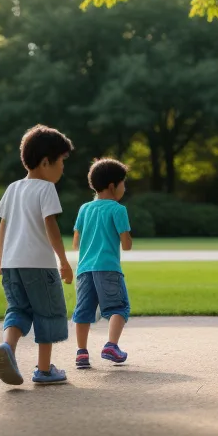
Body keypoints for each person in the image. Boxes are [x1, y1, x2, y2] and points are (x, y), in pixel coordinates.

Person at [0, 124, 74, 385]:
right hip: (39, 265)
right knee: (47, 313)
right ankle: (44, 369)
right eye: (61, 162)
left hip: (11, 264)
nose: (63, 168)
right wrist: (63, 260)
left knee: (18, 309)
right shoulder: (45, 189)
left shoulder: (13, 188)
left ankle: (8, 346)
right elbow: (50, 225)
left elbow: (3, 224)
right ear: (45, 161)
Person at [72, 158, 133, 369]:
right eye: (123, 183)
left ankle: (81, 353)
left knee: (83, 311)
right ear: (112, 186)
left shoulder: (84, 209)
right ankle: (111, 345)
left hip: (84, 268)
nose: (124, 188)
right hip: (108, 267)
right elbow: (126, 245)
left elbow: (76, 242)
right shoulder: (118, 209)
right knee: (119, 307)